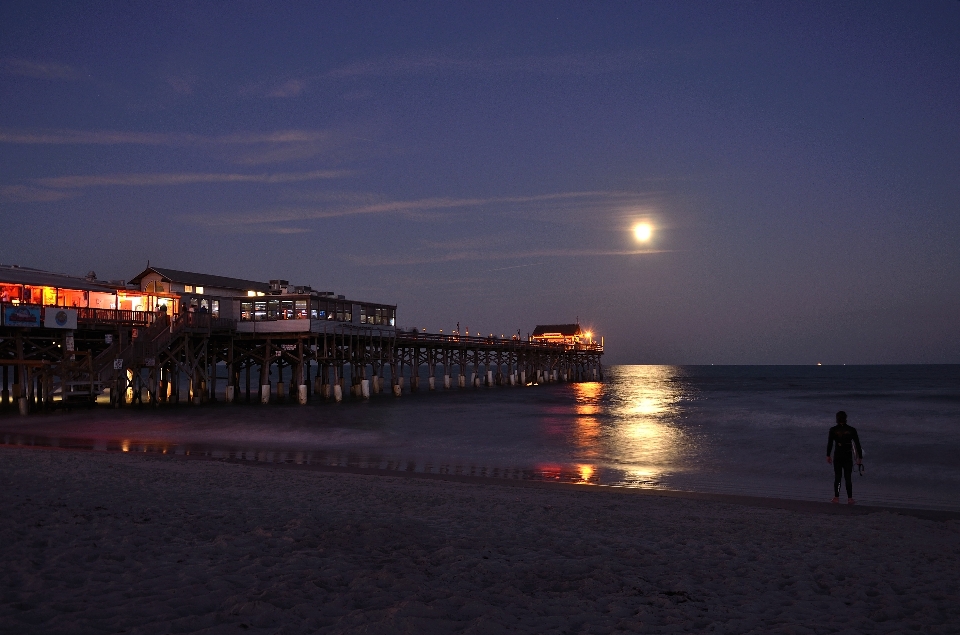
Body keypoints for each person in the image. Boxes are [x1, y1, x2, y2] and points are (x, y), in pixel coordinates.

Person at [826, 411, 863, 504]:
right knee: (848, 478)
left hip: (838, 455)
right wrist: (860, 457)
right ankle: (850, 499)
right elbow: (858, 444)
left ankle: (836, 498)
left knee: (838, 477)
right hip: (847, 455)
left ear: (837, 418)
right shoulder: (852, 429)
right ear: (846, 418)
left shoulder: (833, 430)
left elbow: (830, 443)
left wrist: (828, 455)